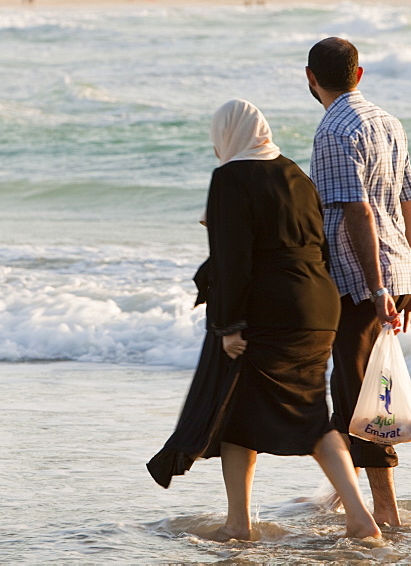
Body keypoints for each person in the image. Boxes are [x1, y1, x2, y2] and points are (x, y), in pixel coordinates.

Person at [147, 99, 381, 541]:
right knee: (288, 413)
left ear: (227, 134)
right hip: (317, 305)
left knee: (267, 415)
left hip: (268, 310)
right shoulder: (297, 174)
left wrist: (227, 326)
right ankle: (341, 518)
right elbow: (309, 241)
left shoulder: (230, 177)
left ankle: (257, 524)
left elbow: (233, 261)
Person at [305, 37, 411, 528]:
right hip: (394, 267)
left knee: (359, 389)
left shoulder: (333, 130)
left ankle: (385, 507)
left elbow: (356, 210)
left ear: (310, 78)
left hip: (359, 278)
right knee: (356, 381)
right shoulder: (387, 122)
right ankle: (343, 492)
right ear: (359, 74)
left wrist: (377, 291)